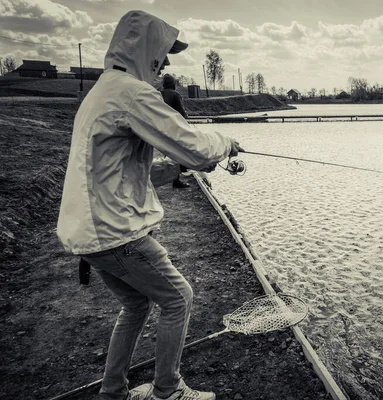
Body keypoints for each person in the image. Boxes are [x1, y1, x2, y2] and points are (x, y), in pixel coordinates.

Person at [57, 10, 243, 400]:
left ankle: (113, 392)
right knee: (179, 298)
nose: (168, 63)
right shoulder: (131, 92)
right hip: (114, 232)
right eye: (164, 52)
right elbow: (192, 146)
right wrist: (225, 144)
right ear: (144, 51)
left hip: (92, 231)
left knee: (137, 304)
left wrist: (178, 170)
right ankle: (168, 390)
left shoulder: (104, 90)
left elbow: (121, 171)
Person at [160, 74, 190, 189]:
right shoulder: (175, 95)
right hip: (175, 129)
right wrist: (186, 115)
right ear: (173, 84)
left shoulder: (159, 94)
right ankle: (176, 180)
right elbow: (181, 113)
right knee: (178, 153)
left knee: (167, 152)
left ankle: (167, 176)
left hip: (163, 128)